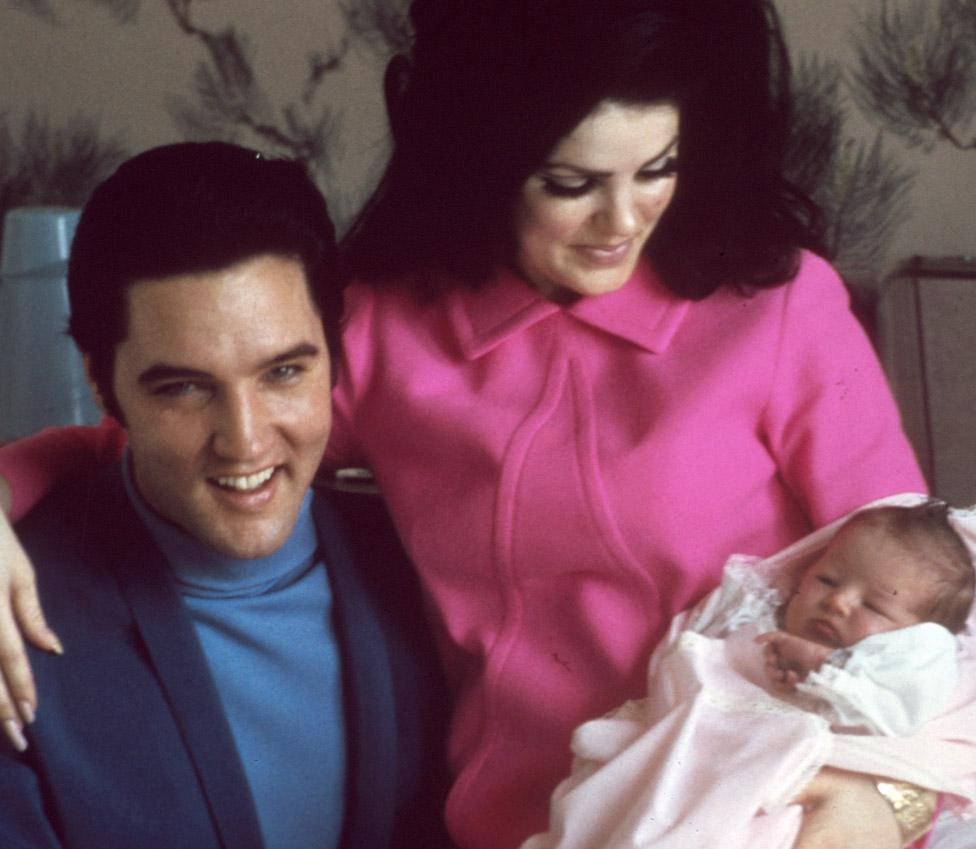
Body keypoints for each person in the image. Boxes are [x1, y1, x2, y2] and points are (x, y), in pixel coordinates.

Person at [0, 1, 963, 847]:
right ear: (486, 159)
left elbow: (933, 602)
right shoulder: (383, 334)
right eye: (571, 183)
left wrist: (894, 801)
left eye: (656, 168)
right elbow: (168, 439)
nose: (622, 222)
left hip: (771, 816)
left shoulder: (783, 310)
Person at [0, 142, 449, 849]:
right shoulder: (15, 619)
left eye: (283, 372)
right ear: (99, 379)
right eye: (183, 387)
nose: (243, 441)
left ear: (334, 354)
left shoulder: (426, 561)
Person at [521, 497, 976, 849]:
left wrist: (824, 667)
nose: (837, 603)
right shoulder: (749, 631)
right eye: (827, 580)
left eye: (874, 605)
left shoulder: (908, 675)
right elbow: (686, 676)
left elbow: (883, 715)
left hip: (779, 805)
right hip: (682, 773)